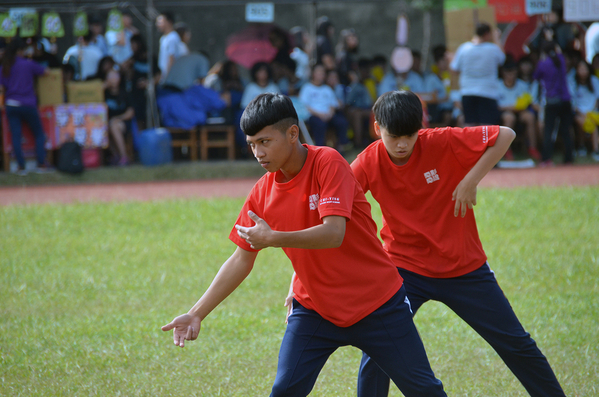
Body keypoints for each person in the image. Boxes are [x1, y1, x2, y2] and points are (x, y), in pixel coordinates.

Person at [161, 92, 447, 397]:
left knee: (424, 390)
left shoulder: (328, 161)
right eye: (252, 144)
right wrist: (196, 313)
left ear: (292, 133)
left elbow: (333, 233)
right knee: (284, 390)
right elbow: (240, 259)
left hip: (377, 303)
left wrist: (273, 238)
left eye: (265, 141)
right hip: (314, 309)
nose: (258, 152)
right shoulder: (262, 192)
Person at [347, 90, 566, 397]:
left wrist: (470, 180)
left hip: (464, 268)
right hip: (404, 269)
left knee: (515, 342)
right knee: (378, 349)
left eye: (410, 136)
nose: (402, 144)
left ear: (420, 128)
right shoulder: (368, 161)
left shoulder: (443, 140)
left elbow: (505, 134)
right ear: (377, 128)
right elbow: (337, 209)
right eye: (394, 136)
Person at [0, 39, 53, 175]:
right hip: (28, 104)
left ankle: (20, 167)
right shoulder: (28, 64)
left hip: (11, 104)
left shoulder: (5, 66)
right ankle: (41, 164)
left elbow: (2, 86)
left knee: (16, 137)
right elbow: (46, 72)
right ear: (20, 51)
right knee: (39, 134)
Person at [450, 23, 505, 126]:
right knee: (487, 127)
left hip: (467, 92)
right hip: (488, 92)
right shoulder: (493, 49)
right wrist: (497, 39)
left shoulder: (464, 48)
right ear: (487, 34)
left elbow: (454, 69)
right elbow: (502, 59)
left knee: (470, 125)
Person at [533, 41, 574, 166]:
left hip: (551, 101)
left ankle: (546, 158)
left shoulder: (543, 63)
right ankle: (569, 158)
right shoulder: (561, 60)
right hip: (566, 100)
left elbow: (536, 77)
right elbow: (559, 52)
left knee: (549, 130)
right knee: (566, 130)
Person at [498, 61, 541, 161]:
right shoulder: (497, 85)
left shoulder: (522, 85)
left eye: (512, 73)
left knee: (530, 117)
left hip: (520, 111)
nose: (510, 76)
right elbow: (496, 106)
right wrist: (510, 108)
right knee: (509, 118)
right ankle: (506, 150)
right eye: (508, 73)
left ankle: (532, 148)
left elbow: (527, 102)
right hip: (503, 113)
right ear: (503, 73)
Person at [299, 64, 349, 150]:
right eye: (319, 72)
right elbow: (305, 106)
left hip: (328, 115)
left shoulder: (327, 89)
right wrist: (320, 115)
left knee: (341, 122)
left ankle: (341, 147)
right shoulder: (307, 88)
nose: (321, 74)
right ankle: (319, 148)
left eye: (323, 72)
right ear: (313, 74)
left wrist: (330, 113)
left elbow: (333, 104)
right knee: (319, 124)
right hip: (314, 115)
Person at [569, 60, 599, 160]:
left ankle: (594, 150)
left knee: (592, 123)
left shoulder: (594, 80)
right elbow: (572, 103)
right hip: (579, 113)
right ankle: (587, 147)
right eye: (580, 69)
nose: (582, 71)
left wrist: (592, 112)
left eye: (584, 68)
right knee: (584, 123)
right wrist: (582, 113)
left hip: (593, 112)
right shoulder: (573, 83)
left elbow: (597, 99)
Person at [104, 69, 134, 165]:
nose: (113, 79)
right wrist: (103, 86)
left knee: (114, 125)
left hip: (122, 123)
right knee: (102, 128)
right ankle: (115, 155)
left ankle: (124, 156)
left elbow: (130, 113)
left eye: (115, 76)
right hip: (105, 123)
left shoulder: (125, 93)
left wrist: (118, 119)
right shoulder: (104, 94)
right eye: (110, 77)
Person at [156, 11, 182, 83]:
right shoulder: (163, 38)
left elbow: (171, 58)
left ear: (169, 22)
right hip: (164, 77)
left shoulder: (173, 37)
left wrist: (167, 78)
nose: (158, 25)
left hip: (170, 80)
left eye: (161, 22)